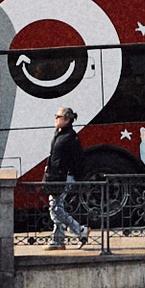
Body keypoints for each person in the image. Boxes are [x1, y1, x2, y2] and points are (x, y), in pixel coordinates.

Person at [43, 104, 90, 251]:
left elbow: (77, 159)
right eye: (55, 116)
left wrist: (73, 175)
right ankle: (58, 240)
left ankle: (80, 230)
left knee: (55, 208)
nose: (55, 119)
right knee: (57, 206)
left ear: (67, 120)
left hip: (64, 177)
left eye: (58, 116)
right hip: (56, 176)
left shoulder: (70, 137)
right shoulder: (59, 133)